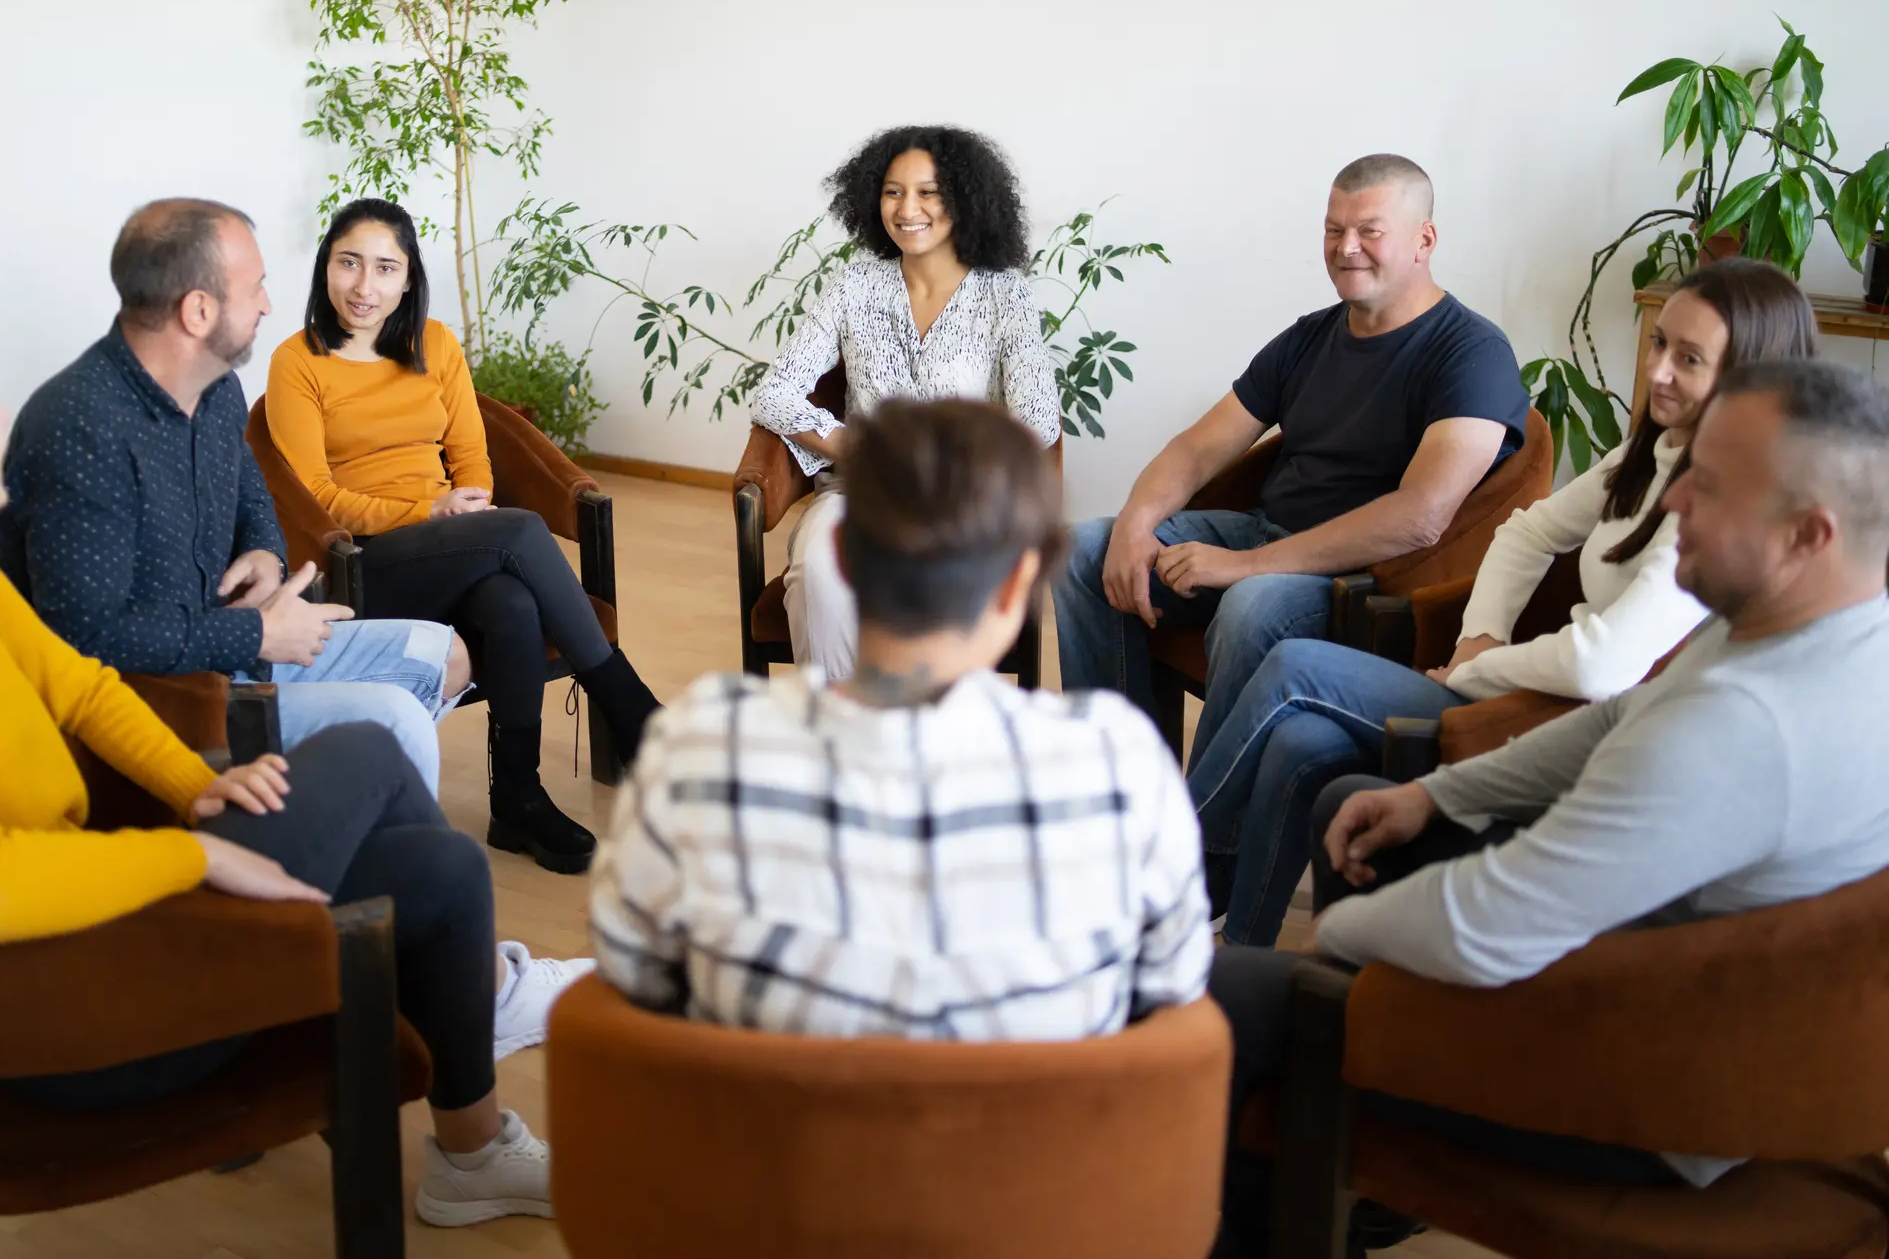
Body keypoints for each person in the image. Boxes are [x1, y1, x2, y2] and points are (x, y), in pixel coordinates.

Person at [0, 312, 598, 1228]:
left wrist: (191, 785)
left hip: (92, 923)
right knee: (366, 747)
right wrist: (196, 856)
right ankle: (480, 1011)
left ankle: (472, 1153)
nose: (5, 419)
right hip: (51, 1021)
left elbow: (83, 692)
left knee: (439, 872)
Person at [1208, 358, 1889, 1257]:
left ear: (1808, 533)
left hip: (1629, 1093)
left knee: (1223, 1000)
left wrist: (1340, 949)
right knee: (1367, 805)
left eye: (1707, 486)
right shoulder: (1827, 629)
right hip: (1685, 1020)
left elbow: (1485, 927)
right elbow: (1620, 714)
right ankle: (1341, 1160)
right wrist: (1432, 794)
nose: (1671, 502)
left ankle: (1313, 1148)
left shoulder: (1739, 730)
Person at [1191, 258, 1819, 945]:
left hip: (1564, 720)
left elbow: (1600, 669)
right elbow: (1526, 531)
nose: (1656, 369)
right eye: (1659, 342)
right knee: (1297, 741)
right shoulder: (1650, 450)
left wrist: (1476, 674)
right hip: (1517, 681)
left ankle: (1166, 876)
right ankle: (1232, 947)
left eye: (1688, 358)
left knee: (1291, 669)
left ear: (1749, 376)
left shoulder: (1721, 506)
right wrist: (1479, 637)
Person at [590, 399, 1211, 1038]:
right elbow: (1172, 993)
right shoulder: (1120, 770)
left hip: (778, 1133)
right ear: (1016, 586)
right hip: (1026, 1131)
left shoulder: (692, 757)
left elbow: (631, 978)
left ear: (846, 560)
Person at [1053, 154, 1527, 763]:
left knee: (1253, 607)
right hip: (1264, 530)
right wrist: (1133, 525)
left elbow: (1421, 515)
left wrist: (1246, 567)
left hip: (1363, 575)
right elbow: (1198, 448)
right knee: (1085, 550)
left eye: (1369, 231)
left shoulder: (1472, 352)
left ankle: (1203, 835)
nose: (1346, 247)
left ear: (1424, 239)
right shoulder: (1310, 336)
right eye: (1334, 230)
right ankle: (1115, 780)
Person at [0, 198, 463, 797]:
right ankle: (320, 826)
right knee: (393, 720)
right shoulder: (79, 427)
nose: (268, 303)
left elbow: (252, 492)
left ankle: (334, 812)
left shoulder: (217, 386)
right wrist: (258, 637)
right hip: (159, 699)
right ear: (199, 310)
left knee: (440, 652)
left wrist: (266, 554)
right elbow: (87, 635)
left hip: (231, 648)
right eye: (255, 288)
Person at [263, 198, 663, 877]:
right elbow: (315, 496)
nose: (365, 286)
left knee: (510, 600)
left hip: (449, 535)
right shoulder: (297, 362)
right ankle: (636, 715)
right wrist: (431, 512)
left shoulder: (437, 344)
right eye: (348, 264)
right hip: (362, 558)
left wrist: (467, 504)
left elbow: (471, 452)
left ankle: (516, 799)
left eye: (385, 268)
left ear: (409, 278)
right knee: (520, 535)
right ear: (325, 269)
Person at [749, 125, 1062, 681]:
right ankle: (844, 737)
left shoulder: (1003, 292)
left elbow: (1036, 421)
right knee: (820, 570)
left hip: (961, 502)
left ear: (963, 198)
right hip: (859, 492)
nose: (907, 208)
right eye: (893, 191)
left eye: (928, 191)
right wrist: (857, 445)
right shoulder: (854, 285)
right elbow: (774, 393)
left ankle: (928, 744)